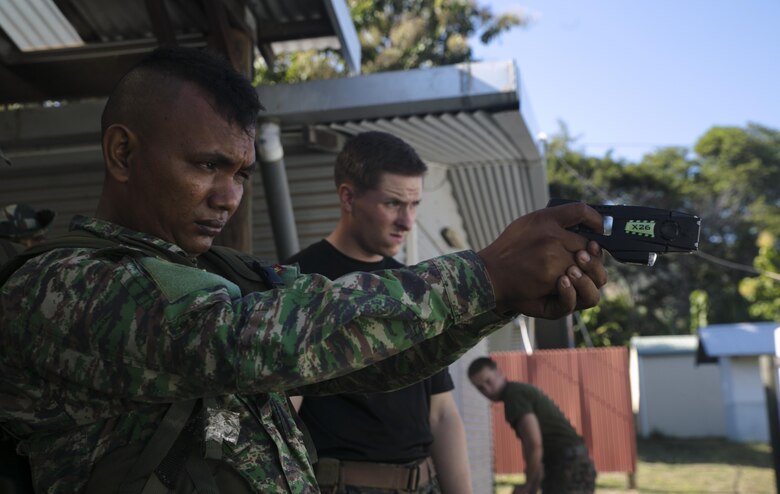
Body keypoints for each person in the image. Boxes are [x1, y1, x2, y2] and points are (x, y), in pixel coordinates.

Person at [0, 46, 606, 493]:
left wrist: (501, 298)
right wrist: (486, 274)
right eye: (208, 165)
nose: (228, 196)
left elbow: (369, 354)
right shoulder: (59, 284)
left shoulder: (219, 271)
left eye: (239, 173)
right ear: (123, 153)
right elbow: (250, 340)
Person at [285, 131, 471, 493]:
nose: (407, 221)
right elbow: (280, 416)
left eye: (414, 204)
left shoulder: (415, 285)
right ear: (348, 197)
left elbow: (443, 413)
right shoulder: (298, 283)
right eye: (393, 204)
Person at [467, 357, 597, 494]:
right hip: (572, 464)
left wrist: (528, 485)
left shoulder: (514, 395)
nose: (487, 390)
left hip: (567, 466)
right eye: (481, 388)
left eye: (488, 381)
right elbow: (537, 450)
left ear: (499, 372)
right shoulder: (517, 392)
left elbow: (534, 443)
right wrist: (532, 485)